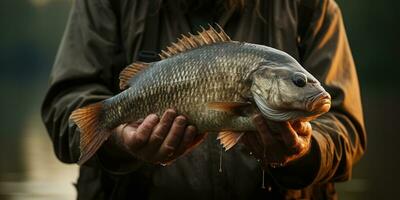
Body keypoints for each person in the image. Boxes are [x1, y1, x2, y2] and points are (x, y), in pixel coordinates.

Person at [41, 0, 366, 199]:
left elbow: (345, 126)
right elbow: (65, 106)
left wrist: (305, 152)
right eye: (298, 82)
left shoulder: (311, 6)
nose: (306, 88)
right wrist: (120, 142)